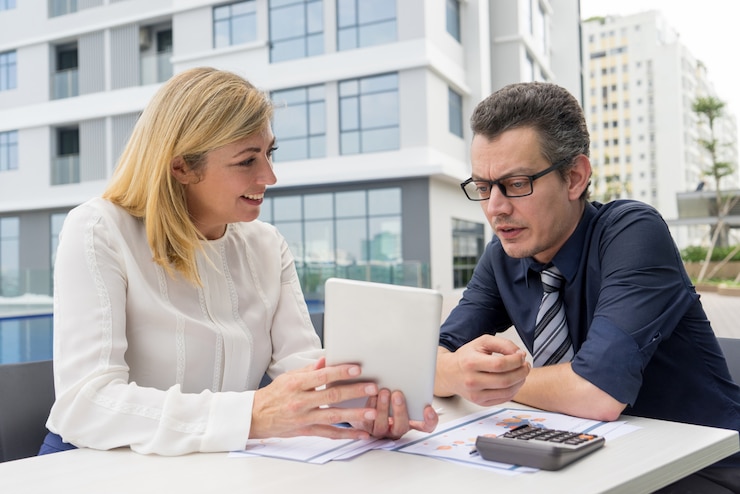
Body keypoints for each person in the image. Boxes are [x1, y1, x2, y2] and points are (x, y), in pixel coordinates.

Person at [40, 67, 438, 456]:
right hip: (93, 464)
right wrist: (251, 415)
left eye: (269, 153)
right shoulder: (99, 229)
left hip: (215, 465)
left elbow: (300, 366)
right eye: (248, 160)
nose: (270, 175)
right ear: (181, 166)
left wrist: (360, 408)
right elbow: (86, 404)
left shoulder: (267, 245)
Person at [434, 82, 740, 492]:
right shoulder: (503, 255)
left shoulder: (633, 232)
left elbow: (597, 392)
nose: (495, 208)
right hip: (593, 462)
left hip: (702, 467)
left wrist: (480, 379)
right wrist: (455, 371)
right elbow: (431, 355)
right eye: (484, 187)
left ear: (575, 177)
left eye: (517, 183)